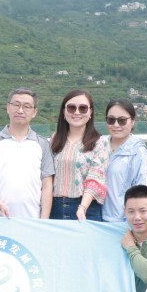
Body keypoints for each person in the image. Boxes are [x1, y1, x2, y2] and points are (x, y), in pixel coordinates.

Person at [0, 88, 54, 219]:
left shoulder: (43, 144)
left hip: (33, 220)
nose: (20, 110)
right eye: (16, 105)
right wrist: (0, 205)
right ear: (8, 107)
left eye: (27, 106)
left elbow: (47, 186)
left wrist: (44, 219)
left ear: (34, 112)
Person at [49, 90, 108, 221]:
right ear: (64, 111)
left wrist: (82, 207)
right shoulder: (55, 139)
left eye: (83, 108)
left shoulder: (100, 142)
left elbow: (95, 178)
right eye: (71, 108)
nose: (76, 112)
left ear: (90, 112)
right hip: (55, 208)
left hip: (85, 209)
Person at [99, 100, 147, 223]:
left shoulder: (138, 152)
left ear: (133, 121)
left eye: (122, 120)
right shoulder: (99, 145)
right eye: (111, 120)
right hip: (95, 218)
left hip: (122, 222)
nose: (116, 125)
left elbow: (142, 191)